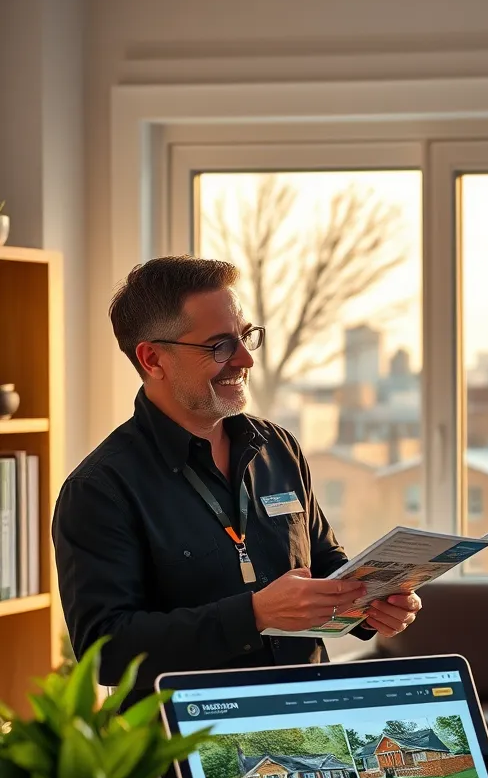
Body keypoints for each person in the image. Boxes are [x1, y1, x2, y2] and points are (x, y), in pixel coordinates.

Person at [54, 256, 421, 709]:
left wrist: (370, 604)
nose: (246, 359)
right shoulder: (100, 489)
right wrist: (254, 615)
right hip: (186, 747)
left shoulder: (277, 447)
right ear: (153, 359)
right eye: (220, 346)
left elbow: (325, 563)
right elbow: (104, 650)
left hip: (309, 720)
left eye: (245, 336)